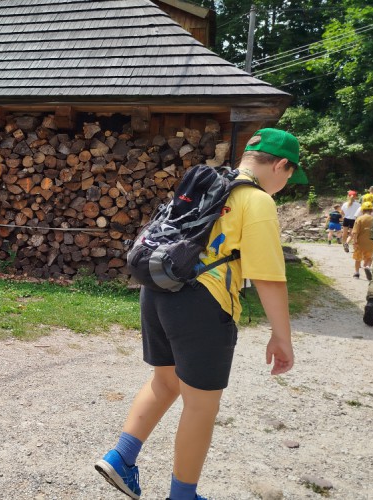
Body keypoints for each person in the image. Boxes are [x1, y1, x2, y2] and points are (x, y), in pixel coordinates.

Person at [94, 128, 301, 500]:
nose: (285, 185)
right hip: (202, 305)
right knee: (201, 406)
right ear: (281, 165)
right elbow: (269, 278)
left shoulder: (210, 183)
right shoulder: (256, 201)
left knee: (165, 383)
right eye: (289, 176)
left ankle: (121, 458)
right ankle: (183, 496)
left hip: (157, 290)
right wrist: (281, 336)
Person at [351, 202, 373, 280]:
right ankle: (367, 266)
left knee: (358, 258)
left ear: (362, 210)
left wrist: (354, 242)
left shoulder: (359, 219)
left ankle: (356, 273)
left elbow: (355, 232)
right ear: (372, 210)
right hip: (371, 243)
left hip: (360, 243)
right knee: (369, 258)